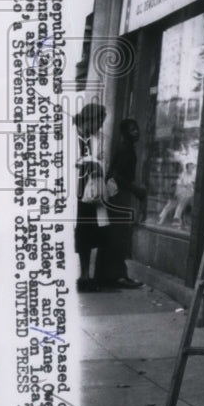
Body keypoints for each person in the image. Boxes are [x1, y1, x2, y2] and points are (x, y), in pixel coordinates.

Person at [95, 117, 146, 289]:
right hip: (119, 194)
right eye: (132, 129)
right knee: (119, 235)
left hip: (114, 193)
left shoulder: (124, 148)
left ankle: (106, 276)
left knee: (113, 235)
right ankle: (119, 276)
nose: (136, 132)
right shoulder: (126, 150)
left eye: (136, 128)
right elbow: (117, 175)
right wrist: (136, 190)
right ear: (125, 133)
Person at [73, 102, 109, 293]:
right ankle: (79, 274)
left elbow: (103, 160)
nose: (100, 126)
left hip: (91, 192)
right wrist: (81, 163)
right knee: (77, 234)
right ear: (89, 120)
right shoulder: (72, 136)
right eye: (98, 122)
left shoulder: (99, 139)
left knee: (91, 234)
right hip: (75, 191)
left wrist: (98, 165)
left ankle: (87, 275)